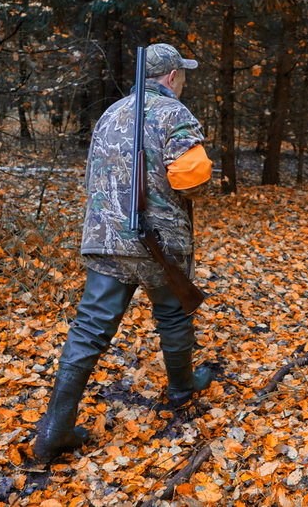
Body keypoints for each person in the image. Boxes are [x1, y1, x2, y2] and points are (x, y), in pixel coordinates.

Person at [33, 43, 214, 462]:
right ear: (171, 77)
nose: (183, 81)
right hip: (159, 244)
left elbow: (93, 177)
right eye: (182, 75)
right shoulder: (175, 114)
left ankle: (55, 429)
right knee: (172, 313)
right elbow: (190, 178)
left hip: (105, 241)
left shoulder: (111, 114)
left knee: (89, 330)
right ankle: (182, 389)